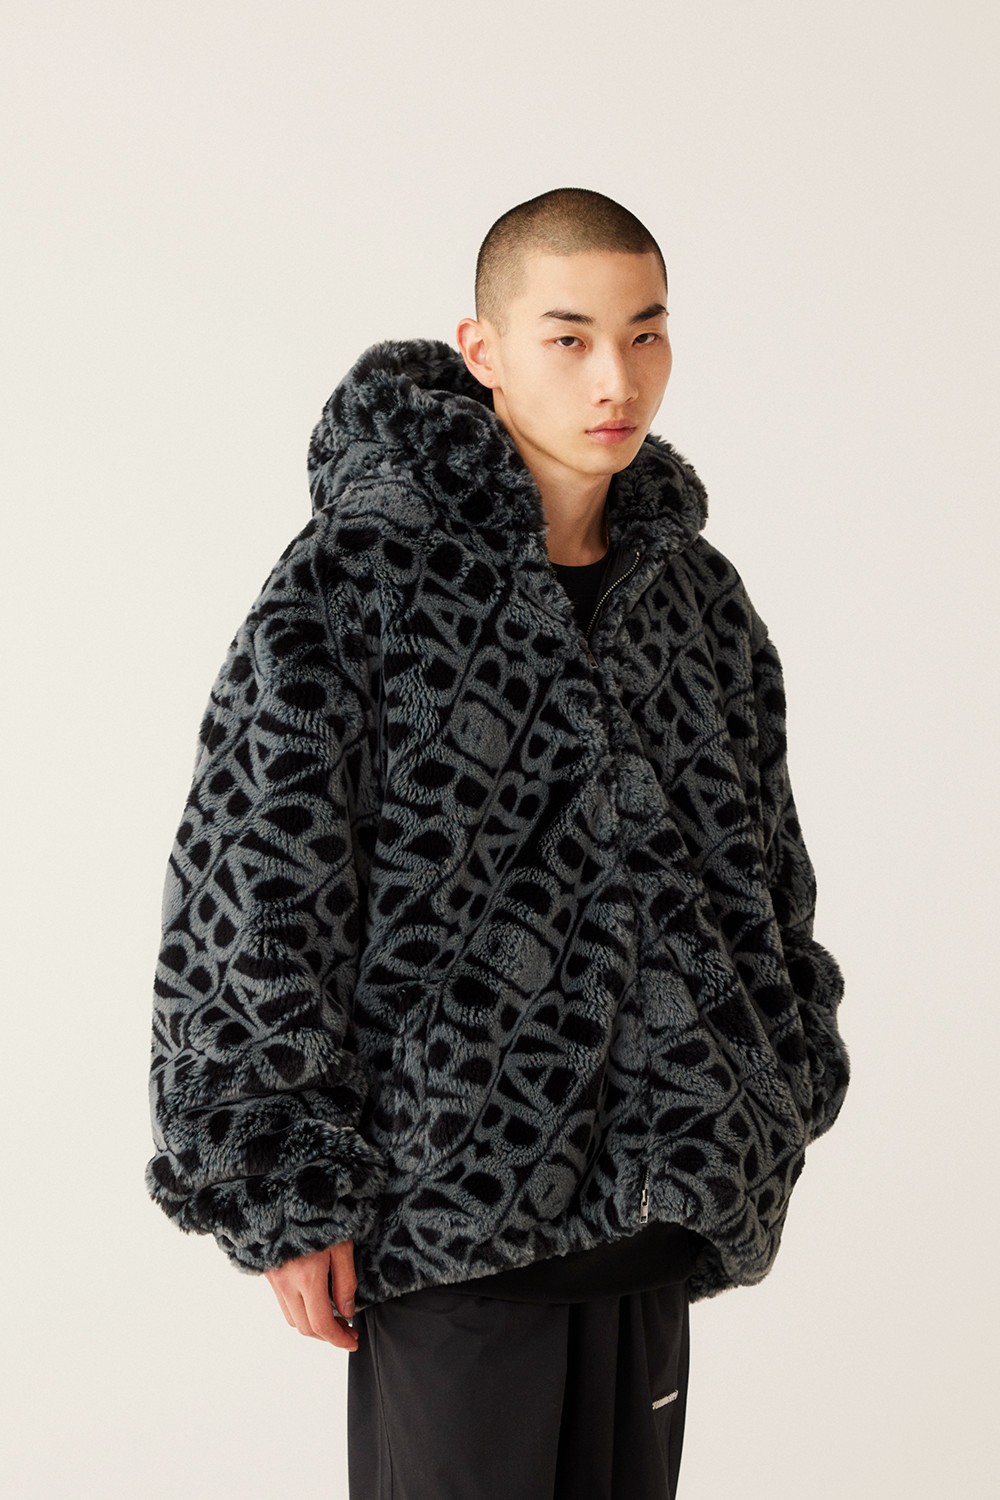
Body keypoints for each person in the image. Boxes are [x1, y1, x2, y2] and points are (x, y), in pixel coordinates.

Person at [145, 188, 851, 1498]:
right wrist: (283, 1181)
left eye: (645, 335)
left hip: (653, 1222)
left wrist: (772, 1078)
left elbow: (769, 875)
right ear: (484, 349)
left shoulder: (696, 599)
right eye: (568, 338)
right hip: (449, 1224)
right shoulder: (359, 579)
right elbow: (252, 887)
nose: (615, 379)